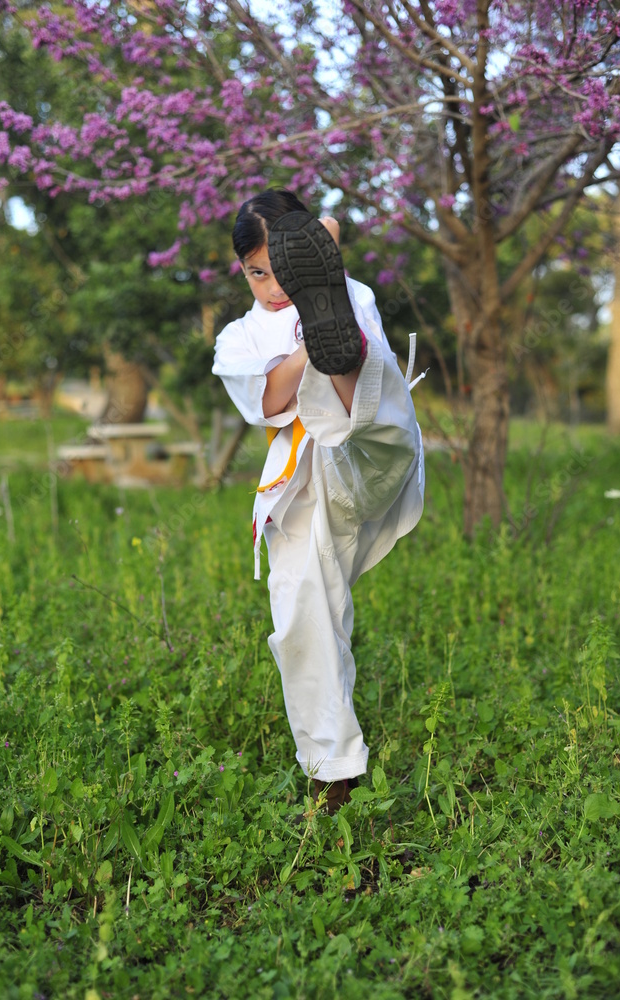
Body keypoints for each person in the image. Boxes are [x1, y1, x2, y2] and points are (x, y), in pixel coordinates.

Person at [212, 189, 425, 814]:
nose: (271, 286)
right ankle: (332, 770)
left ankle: (341, 350)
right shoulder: (238, 338)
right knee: (302, 613)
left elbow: (362, 374)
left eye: (283, 270)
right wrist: (311, 339)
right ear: (240, 270)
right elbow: (270, 403)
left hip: (366, 444)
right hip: (302, 484)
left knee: (372, 406)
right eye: (257, 272)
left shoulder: (352, 294)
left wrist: (328, 303)